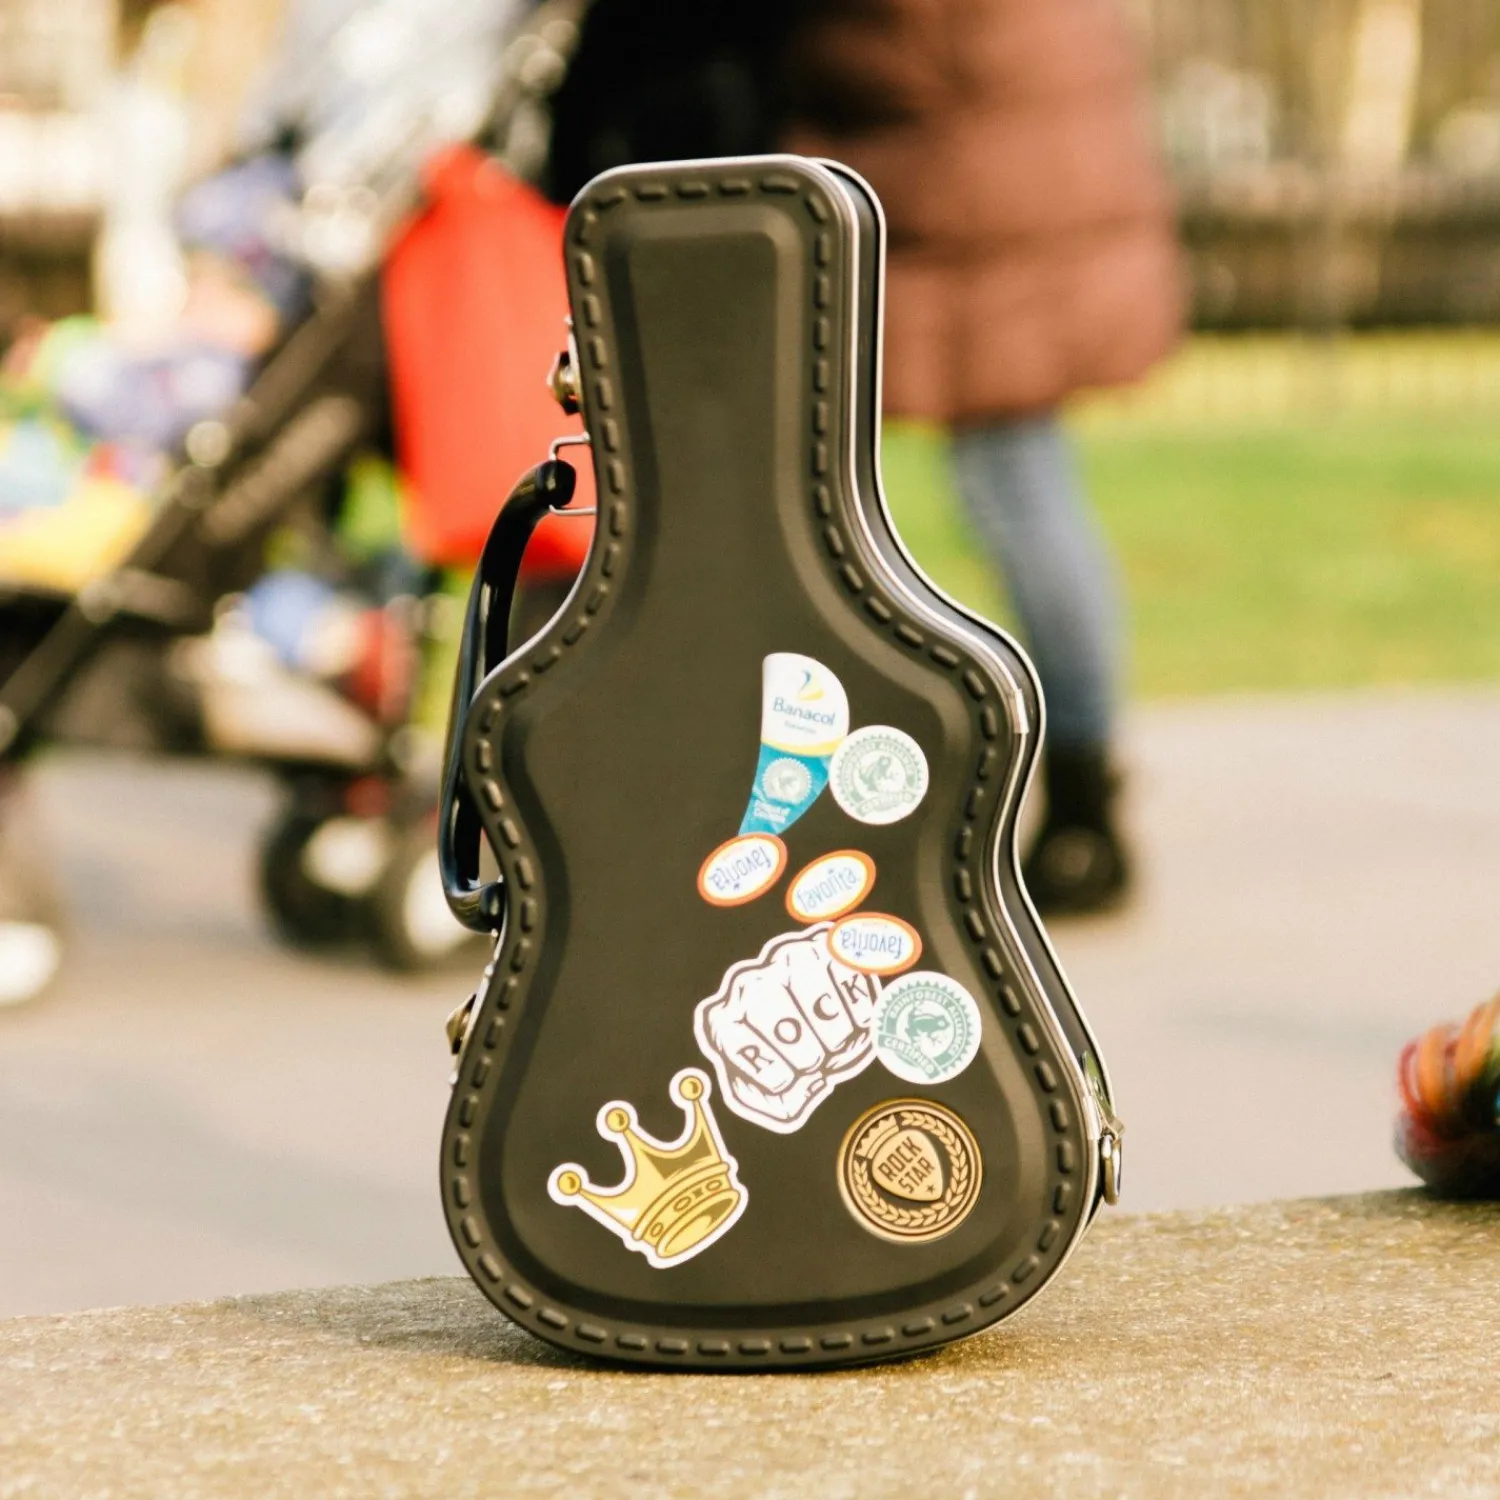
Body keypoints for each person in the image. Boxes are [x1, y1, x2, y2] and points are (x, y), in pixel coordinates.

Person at [785, 0, 1184, 914]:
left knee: (1005, 487)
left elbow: (893, 50)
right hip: (1010, 152)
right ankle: (1084, 796)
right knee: (1016, 482)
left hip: (978, 176)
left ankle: (1079, 806)